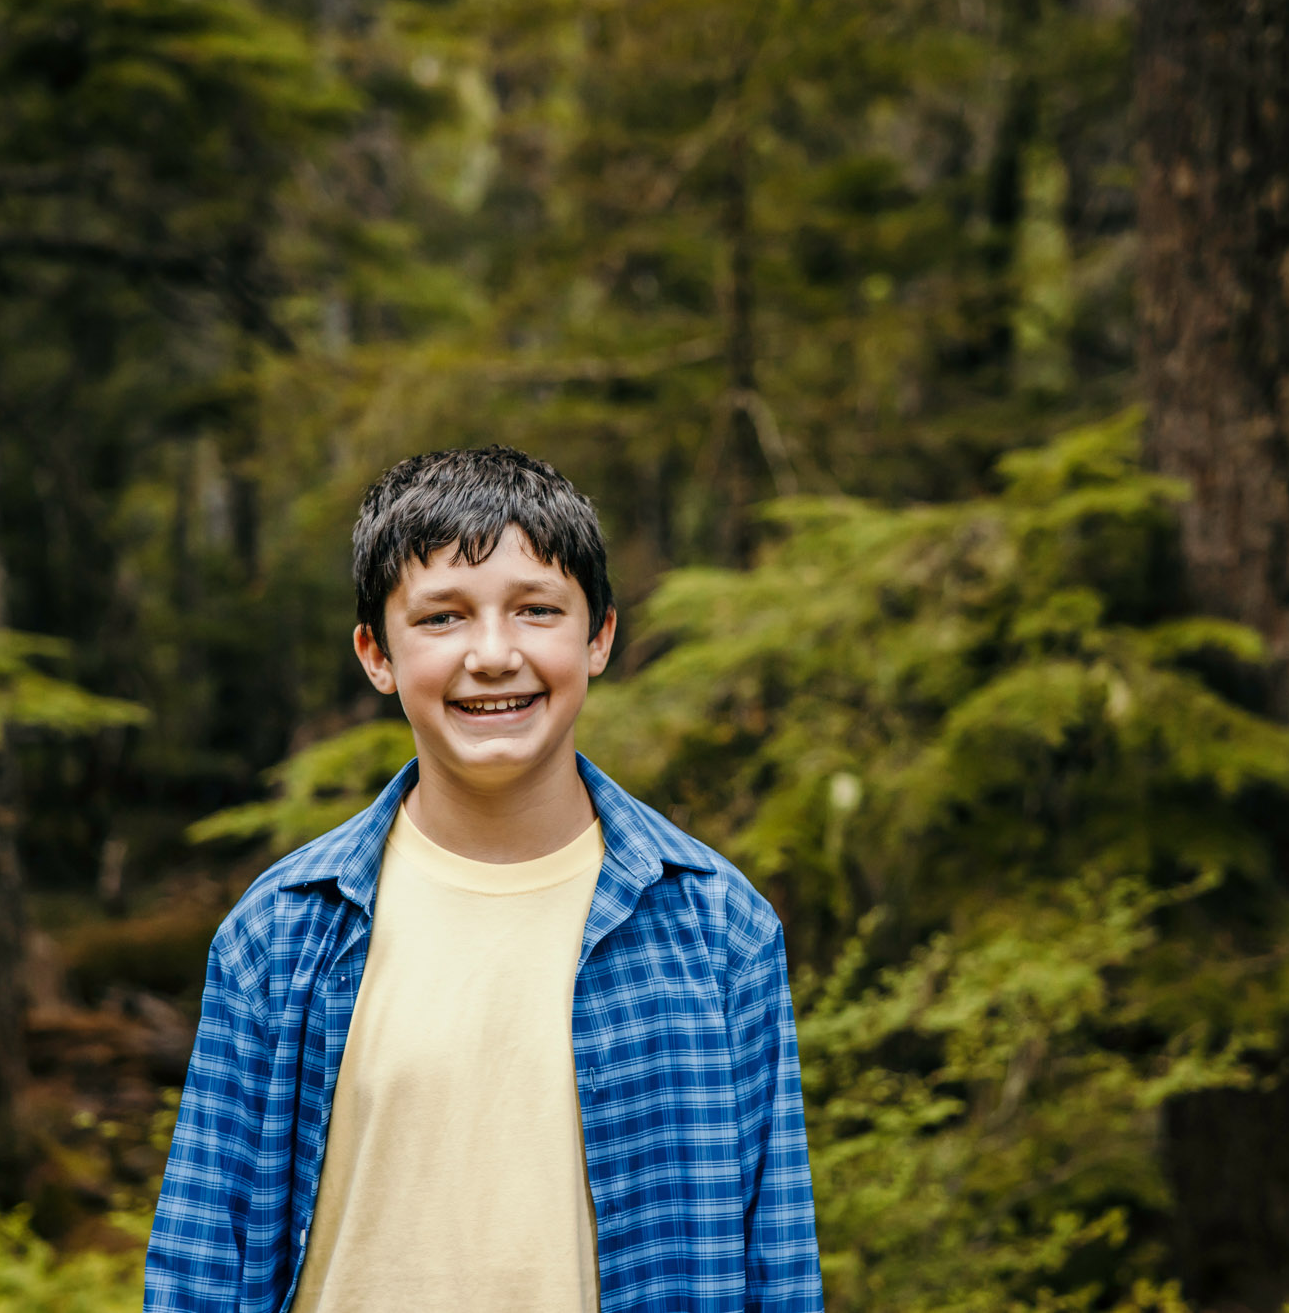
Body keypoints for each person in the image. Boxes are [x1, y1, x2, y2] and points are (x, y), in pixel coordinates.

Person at [142, 444, 824, 1312]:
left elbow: (778, 1268)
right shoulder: (280, 934)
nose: (494, 654)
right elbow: (199, 1268)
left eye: (537, 610)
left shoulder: (717, 927)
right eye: (441, 618)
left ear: (600, 636)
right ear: (376, 654)